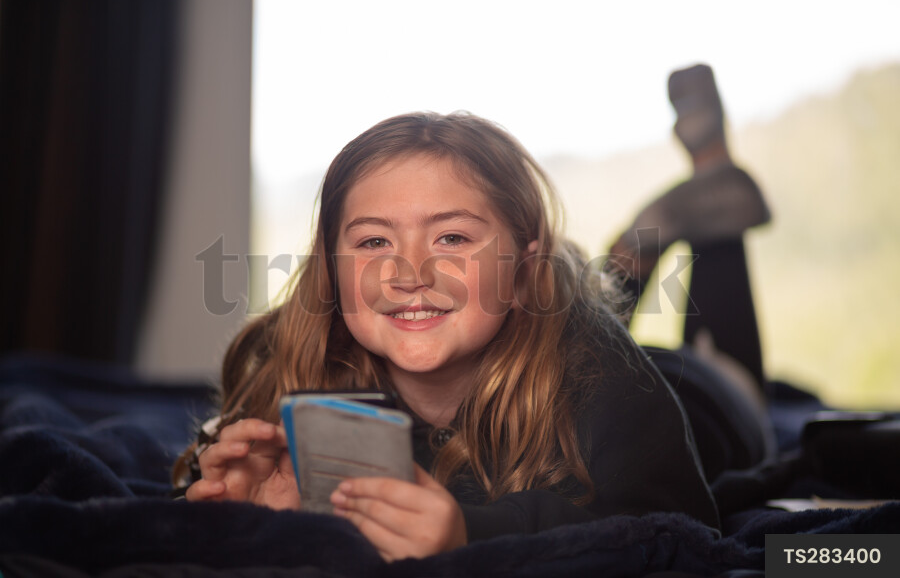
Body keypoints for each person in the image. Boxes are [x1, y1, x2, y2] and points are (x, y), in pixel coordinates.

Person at [173, 111, 720, 561]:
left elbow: (682, 535)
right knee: (582, 299)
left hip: (699, 395)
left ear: (523, 267)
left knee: (715, 360)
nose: (410, 274)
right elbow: (208, 471)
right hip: (538, 322)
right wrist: (236, 495)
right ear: (331, 270)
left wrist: (471, 536)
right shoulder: (300, 358)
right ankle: (637, 251)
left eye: (452, 237)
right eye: (372, 243)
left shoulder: (607, 376)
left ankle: (703, 192)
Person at [607, 63, 775, 483]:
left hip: (652, 373)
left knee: (592, 331)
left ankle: (629, 255)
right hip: (723, 394)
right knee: (714, 239)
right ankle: (711, 163)